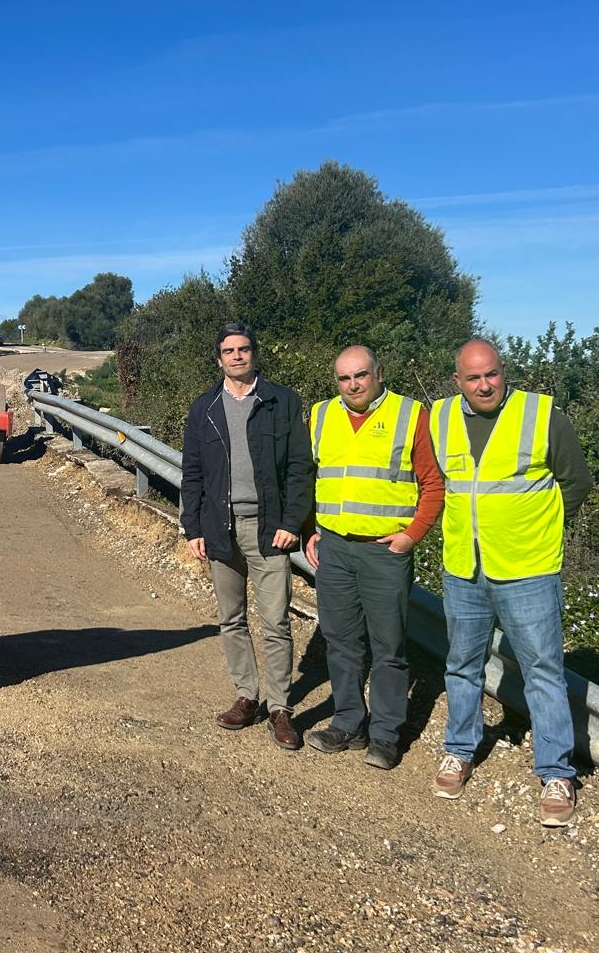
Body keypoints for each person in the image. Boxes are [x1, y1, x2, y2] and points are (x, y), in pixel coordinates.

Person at [429, 339, 594, 826]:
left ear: (504, 373)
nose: (484, 385)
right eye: (473, 377)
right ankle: (459, 750)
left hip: (529, 569)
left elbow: (576, 484)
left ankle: (556, 772)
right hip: (464, 565)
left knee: (542, 669)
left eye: (492, 375)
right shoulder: (438, 418)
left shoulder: (542, 416)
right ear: (457, 380)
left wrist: (537, 533)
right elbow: (436, 482)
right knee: (462, 664)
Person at [303, 346, 444, 769]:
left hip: (384, 551)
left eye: (361, 375)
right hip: (334, 547)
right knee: (341, 640)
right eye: (344, 378)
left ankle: (385, 734)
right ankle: (348, 722)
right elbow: (311, 476)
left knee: (388, 646)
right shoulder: (321, 415)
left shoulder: (409, 414)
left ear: (379, 374)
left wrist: (411, 536)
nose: (353, 385)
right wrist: (311, 529)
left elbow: (434, 483)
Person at [181, 322, 314, 750]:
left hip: (268, 529)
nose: (237, 356)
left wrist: (292, 523)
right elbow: (193, 473)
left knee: (275, 621)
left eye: (243, 349)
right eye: (228, 351)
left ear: (254, 353)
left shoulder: (281, 401)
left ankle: (279, 708)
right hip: (219, 526)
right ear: (218, 359)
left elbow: (299, 468)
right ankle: (247, 696)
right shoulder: (204, 408)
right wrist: (192, 528)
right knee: (231, 619)